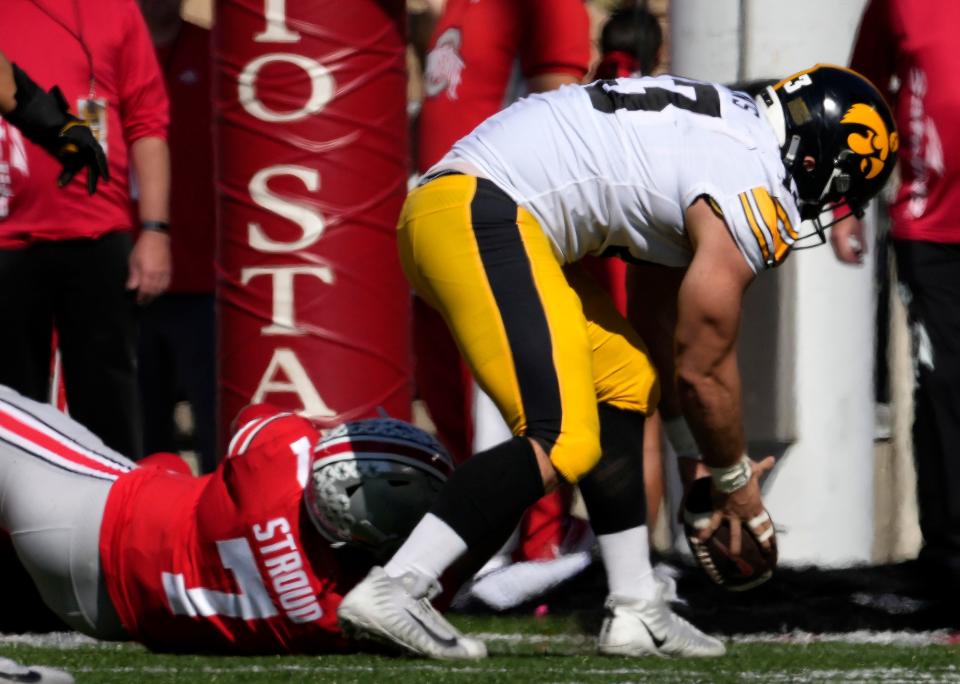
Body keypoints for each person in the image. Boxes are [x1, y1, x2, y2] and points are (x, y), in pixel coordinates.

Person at [337, 65, 898, 659]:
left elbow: (662, 326)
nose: (828, 207)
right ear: (813, 160)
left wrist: (693, 461)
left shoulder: (727, 134)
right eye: (839, 189)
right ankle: (399, 585)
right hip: (477, 213)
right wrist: (734, 482)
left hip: (474, 208)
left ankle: (637, 605)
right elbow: (705, 370)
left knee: (627, 381)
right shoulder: (755, 183)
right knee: (563, 439)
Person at [0, 383, 453, 654]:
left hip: (92, 518)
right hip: (110, 617)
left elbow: (252, 416)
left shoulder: (281, 461)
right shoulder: (331, 616)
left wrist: (309, 428)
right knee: (166, 470)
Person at [412, 0, 593, 594]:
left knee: (506, 404)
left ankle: (528, 548)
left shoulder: (544, 7)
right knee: (449, 401)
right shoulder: (454, 11)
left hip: (494, 222)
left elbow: (560, 115)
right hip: (439, 216)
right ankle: (476, 544)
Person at [0, 1, 172, 459]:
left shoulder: (115, 10)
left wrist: (155, 230)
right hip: (6, 242)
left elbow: (147, 121)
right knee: (11, 411)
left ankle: (114, 517)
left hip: (98, 236)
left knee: (109, 405)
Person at [832, 0, 960, 601]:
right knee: (942, 388)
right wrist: (845, 201)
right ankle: (949, 560)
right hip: (929, 230)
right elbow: (863, 96)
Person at [136, 0, 217, 471]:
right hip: (125, 276)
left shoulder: (212, 51)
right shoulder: (107, 56)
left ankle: (213, 536)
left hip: (205, 279)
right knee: (138, 432)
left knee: (214, 424)